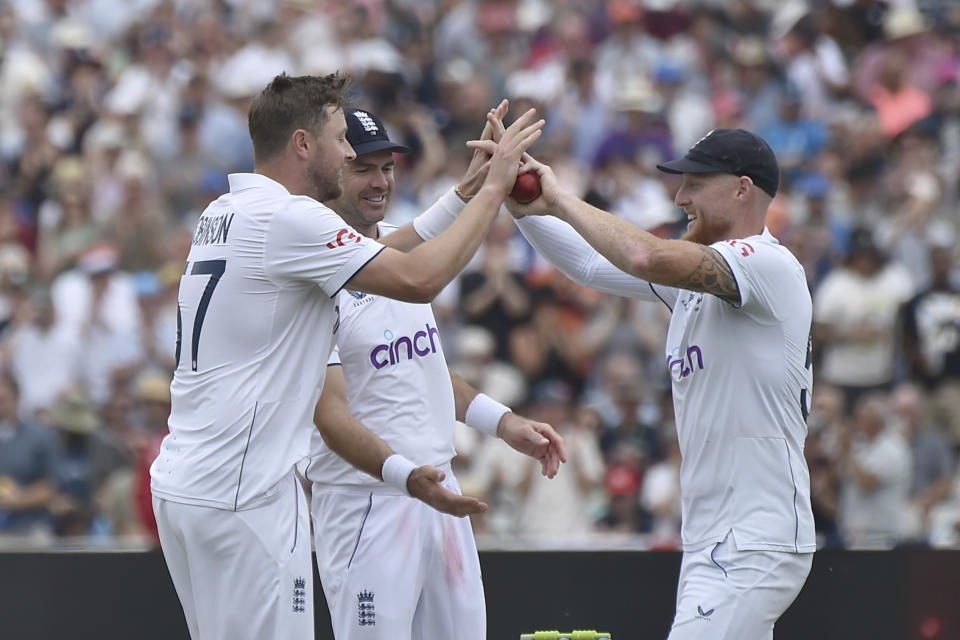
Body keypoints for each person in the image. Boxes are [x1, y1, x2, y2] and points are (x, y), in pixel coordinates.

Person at [148, 72, 545, 640]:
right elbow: (421, 277)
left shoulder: (226, 211)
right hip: (250, 493)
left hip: (188, 485)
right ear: (303, 144)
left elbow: (378, 252)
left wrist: (461, 196)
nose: (348, 153)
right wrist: (493, 191)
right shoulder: (291, 218)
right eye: (341, 140)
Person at [472, 127, 815, 638]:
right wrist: (520, 199)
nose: (681, 198)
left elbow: (645, 256)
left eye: (695, 183)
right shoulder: (696, 290)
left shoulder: (767, 264)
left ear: (743, 189)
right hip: (711, 540)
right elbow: (589, 263)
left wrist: (561, 198)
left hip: (753, 540)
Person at [302, 106, 565, 640]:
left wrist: (505, 423)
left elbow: (423, 369)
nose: (380, 182)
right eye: (363, 169)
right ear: (334, 168)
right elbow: (329, 414)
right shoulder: (308, 270)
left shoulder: (402, 243)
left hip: (442, 489)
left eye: (388, 168)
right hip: (366, 502)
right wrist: (404, 474)